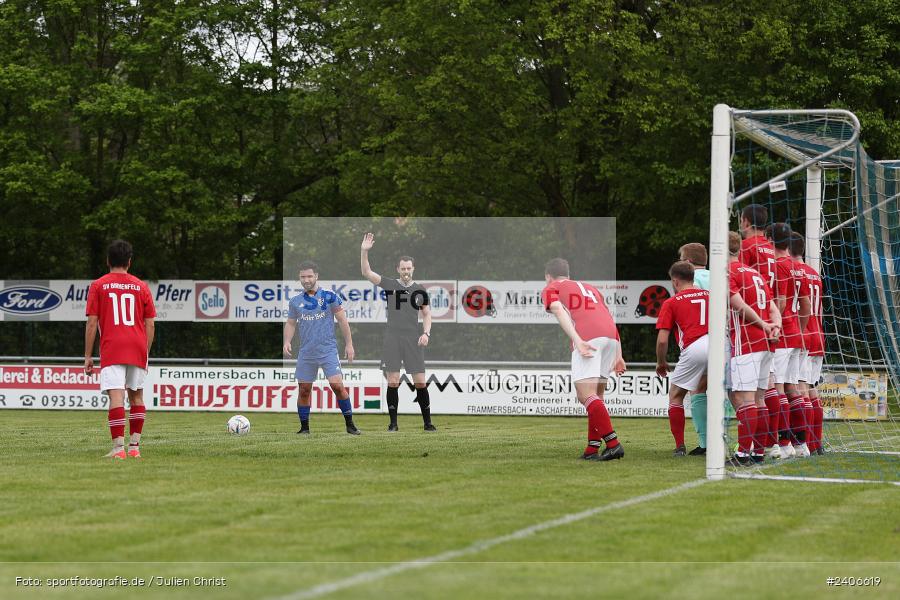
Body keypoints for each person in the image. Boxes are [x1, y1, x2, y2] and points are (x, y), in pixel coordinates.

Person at [542, 258, 625, 461]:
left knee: (585, 395)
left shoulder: (551, 287)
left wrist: (577, 340)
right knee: (597, 396)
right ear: (568, 275)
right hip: (610, 337)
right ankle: (591, 449)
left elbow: (558, 310)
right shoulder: (590, 288)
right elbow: (608, 316)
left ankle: (613, 444)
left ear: (547, 276)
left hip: (589, 337)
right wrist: (619, 353)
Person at [84, 240, 156, 460]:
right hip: (137, 346)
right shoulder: (141, 286)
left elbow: (92, 323)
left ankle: (118, 450)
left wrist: (88, 356)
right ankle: (134, 448)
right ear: (129, 262)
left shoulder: (98, 285)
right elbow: (150, 324)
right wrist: (145, 352)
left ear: (108, 261)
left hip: (113, 347)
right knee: (136, 396)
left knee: (117, 396)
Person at [361, 233, 435, 431]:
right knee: (393, 381)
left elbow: (427, 314)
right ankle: (393, 424)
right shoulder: (390, 284)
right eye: (403, 268)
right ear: (398, 269)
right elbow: (367, 272)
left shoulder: (420, 290)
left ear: (413, 269)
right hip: (392, 338)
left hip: (413, 339)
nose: (406, 271)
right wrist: (364, 251)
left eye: (409, 268)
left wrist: (426, 333)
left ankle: (428, 423)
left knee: (420, 382)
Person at [283, 261, 360, 435]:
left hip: (328, 350)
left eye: (309, 276)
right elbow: (290, 323)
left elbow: (342, 320)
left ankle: (350, 424)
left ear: (316, 276)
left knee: (338, 386)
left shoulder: (329, 296)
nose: (306, 279)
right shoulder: (295, 301)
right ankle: (304, 428)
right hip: (306, 352)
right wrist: (287, 341)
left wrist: (349, 344)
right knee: (304, 390)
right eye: (303, 277)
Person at [727, 232, 782, 465]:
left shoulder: (728, 272)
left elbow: (736, 303)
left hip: (747, 341)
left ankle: (742, 453)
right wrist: (775, 326)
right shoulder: (755, 273)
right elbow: (772, 307)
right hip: (767, 342)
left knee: (746, 399)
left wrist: (762, 324)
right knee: (760, 399)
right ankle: (758, 452)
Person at [655, 261, 710, 457]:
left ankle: (680, 446)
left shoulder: (672, 302)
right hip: (719, 345)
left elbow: (662, 340)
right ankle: (748, 444)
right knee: (733, 395)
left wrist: (661, 362)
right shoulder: (711, 295)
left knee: (676, 396)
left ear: (675, 281)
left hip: (695, 347)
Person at [767, 223, 811, 458]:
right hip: (795, 332)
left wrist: (775, 327)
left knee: (779, 387)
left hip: (782, 334)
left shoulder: (778, 265)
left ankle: (783, 444)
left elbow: (781, 302)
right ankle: (801, 444)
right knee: (794, 389)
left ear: (770, 239)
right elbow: (806, 304)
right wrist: (800, 331)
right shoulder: (798, 268)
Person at [790, 232, 826, 455]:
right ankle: (815, 443)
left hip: (802, 333)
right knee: (812, 390)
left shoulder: (793, 272)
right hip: (818, 334)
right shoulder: (815, 274)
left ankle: (804, 444)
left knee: (800, 388)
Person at [678, 242, 710, 455]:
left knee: (697, 390)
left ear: (688, 261)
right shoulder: (719, 276)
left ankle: (705, 442)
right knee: (736, 393)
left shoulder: (689, 281)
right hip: (726, 340)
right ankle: (751, 441)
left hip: (697, 341)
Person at [739, 204, 777, 292]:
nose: (740, 225)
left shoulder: (746, 245)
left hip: (752, 301)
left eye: (741, 221)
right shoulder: (771, 248)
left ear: (746, 222)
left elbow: (738, 277)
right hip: (769, 301)